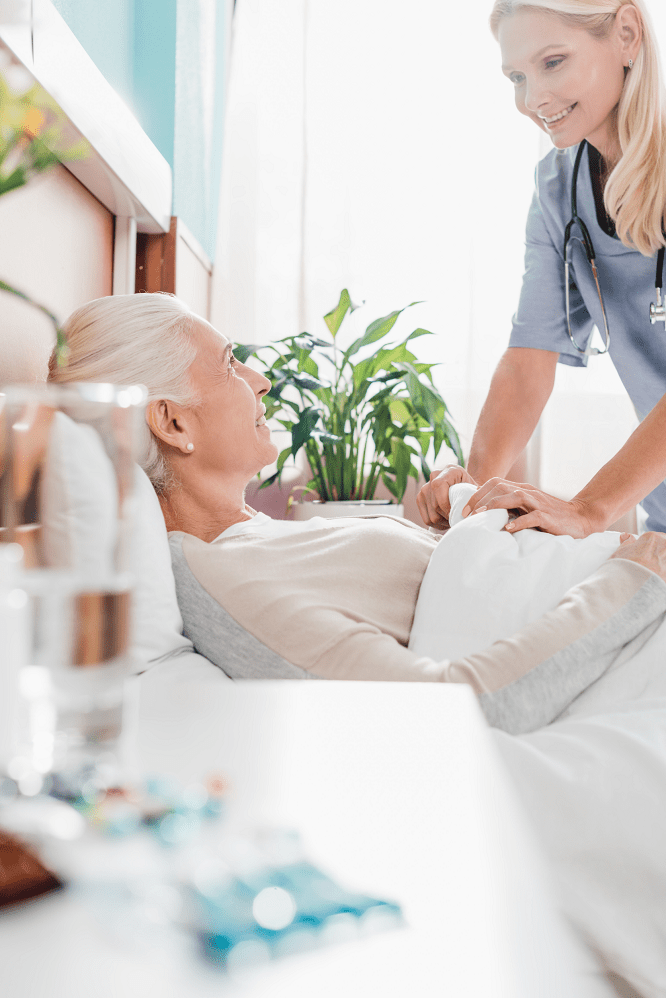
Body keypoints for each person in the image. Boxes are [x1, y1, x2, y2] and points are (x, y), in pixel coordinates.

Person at [48, 292, 666, 733]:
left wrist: (450, 529)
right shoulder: (223, 578)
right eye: (230, 363)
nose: (259, 379)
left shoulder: (262, 541)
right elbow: (451, 712)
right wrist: (630, 582)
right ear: (173, 422)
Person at [417, 0, 666, 538]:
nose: (532, 99)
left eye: (552, 62)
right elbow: (529, 360)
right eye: (516, 77)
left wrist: (588, 509)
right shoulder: (558, 190)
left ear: (626, 34)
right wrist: (472, 492)